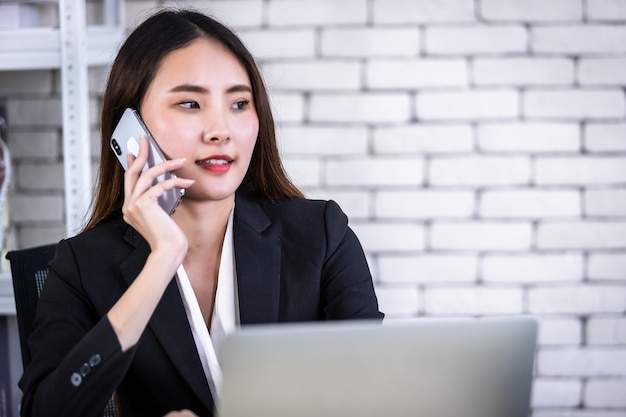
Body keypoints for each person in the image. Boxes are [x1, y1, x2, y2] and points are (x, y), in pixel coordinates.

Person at [18, 8, 383, 417]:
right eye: (190, 104)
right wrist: (161, 261)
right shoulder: (84, 264)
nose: (220, 130)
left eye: (239, 103)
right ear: (131, 127)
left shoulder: (320, 235)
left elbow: (372, 394)